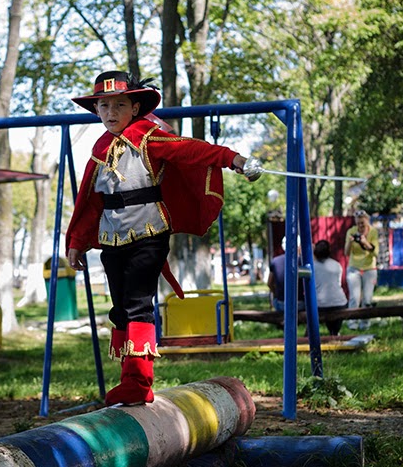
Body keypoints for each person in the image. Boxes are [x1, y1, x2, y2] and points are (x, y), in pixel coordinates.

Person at [65, 70, 261, 404]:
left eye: (119, 105)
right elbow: (92, 201)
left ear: (135, 108)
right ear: (96, 110)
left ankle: (139, 382)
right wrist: (76, 242)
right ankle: (128, 377)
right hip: (112, 239)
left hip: (149, 233)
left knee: (138, 303)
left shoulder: (149, 137)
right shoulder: (99, 149)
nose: (111, 112)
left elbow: (192, 151)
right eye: (104, 106)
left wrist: (234, 159)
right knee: (120, 309)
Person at [312, 238, 347, 335]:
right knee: (334, 325)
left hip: (320, 304)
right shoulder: (337, 265)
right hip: (340, 303)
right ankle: (334, 332)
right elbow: (338, 283)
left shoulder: (311, 267)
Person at [346, 211, 378, 311]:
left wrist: (365, 243)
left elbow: (375, 253)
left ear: (367, 221)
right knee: (354, 298)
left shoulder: (373, 232)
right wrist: (350, 242)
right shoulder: (351, 231)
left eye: (362, 223)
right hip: (354, 268)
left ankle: (366, 320)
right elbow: (346, 253)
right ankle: (352, 320)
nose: (360, 226)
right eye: (358, 223)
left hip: (369, 268)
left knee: (367, 299)